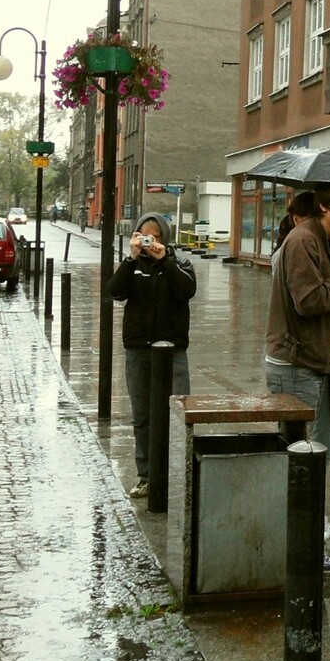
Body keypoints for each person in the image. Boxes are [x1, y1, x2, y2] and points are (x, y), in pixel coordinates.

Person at [266, 184, 330, 575]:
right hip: (296, 365)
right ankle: (303, 554)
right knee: (302, 462)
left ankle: (308, 540)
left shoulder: (323, 241)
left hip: (313, 362)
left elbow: (319, 305)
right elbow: (307, 300)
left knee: (317, 454)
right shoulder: (303, 240)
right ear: (323, 205)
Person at [110, 214, 197, 500]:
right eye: (144, 236)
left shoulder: (180, 263)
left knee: (178, 413)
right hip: (138, 350)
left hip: (173, 352)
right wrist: (130, 259)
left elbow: (186, 290)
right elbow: (115, 291)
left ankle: (178, 475)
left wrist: (165, 261)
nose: (150, 242)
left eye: (155, 236)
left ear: (165, 238)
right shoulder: (133, 265)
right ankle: (147, 476)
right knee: (142, 416)